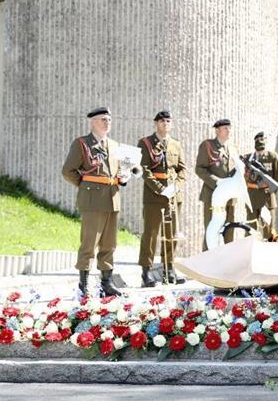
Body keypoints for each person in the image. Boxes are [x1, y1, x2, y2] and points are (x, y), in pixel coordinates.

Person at [61, 107, 126, 297]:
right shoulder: (82, 144)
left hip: (112, 198)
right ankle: (84, 284)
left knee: (109, 243)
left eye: (109, 120)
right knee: (89, 243)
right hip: (92, 199)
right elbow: (68, 171)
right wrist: (85, 185)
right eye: (103, 119)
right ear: (93, 122)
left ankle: (106, 283)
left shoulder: (114, 145)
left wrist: (123, 177)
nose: (107, 123)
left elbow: (117, 171)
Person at [137, 111, 188, 287]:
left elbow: (182, 169)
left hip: (173, 196)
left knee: (171, 235)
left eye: (168, 121)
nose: (165, 124)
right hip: (154, 196)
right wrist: (161, 189)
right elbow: (144, 169)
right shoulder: (146, 143)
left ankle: (169, 269)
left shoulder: (176, 144)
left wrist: (177, 186)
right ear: (155, 123)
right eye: (162, 121)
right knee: (151, 234)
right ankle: (146, 271)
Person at [196, 119, 239, 250]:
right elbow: (200, 169)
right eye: (225, 128)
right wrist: (217, 182)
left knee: (229, 231)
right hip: (213, 195)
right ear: (217, 131)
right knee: (212, 231)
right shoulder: (207, 145)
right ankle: (207, 265)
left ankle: (226, 264)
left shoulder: (233, 148)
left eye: (229, 128)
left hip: (229, 198)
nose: (228, 130)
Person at [244, 131, 278, 241]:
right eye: (258, 148)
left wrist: (270, 192)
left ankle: (269, 254)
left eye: (262, 148)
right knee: (250, 229)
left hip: (267, 197)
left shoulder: (272, 157)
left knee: (268, 228)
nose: (260, 151)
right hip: (252, 196)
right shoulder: (248, 158)